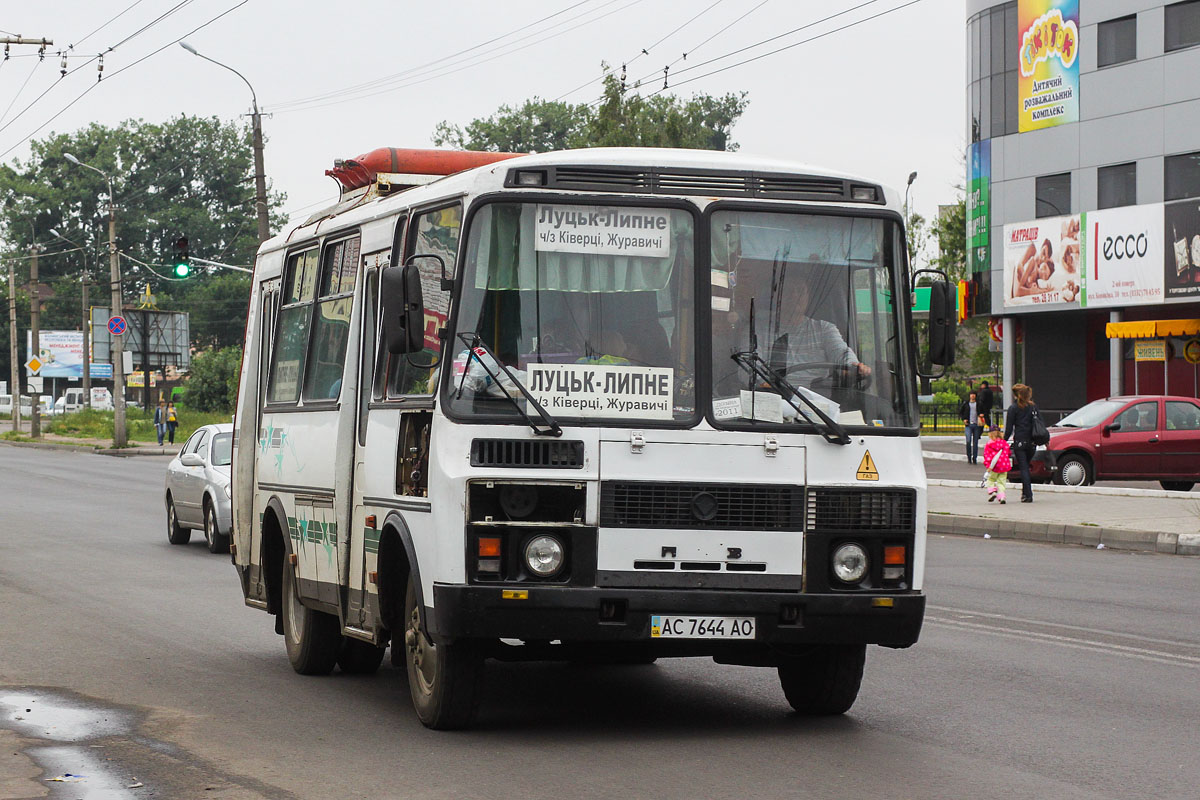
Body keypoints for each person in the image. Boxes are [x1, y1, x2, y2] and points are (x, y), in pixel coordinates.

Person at [771, 272, 871, 389]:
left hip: (816, 401)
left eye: (800, 291)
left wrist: (854, 367)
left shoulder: (824, 329)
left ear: (808, 297)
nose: (794, 296)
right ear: (778, 296)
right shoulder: (759, 330)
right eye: (788, 291)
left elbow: (841, 352)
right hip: (771, 397)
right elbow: (749, 368)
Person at [1004, 383, 1038, 503]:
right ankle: (1025, 492)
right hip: (1032, 442)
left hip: (1020, 442)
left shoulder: (1013, 408)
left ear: (1016, 395)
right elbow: (1039, 423)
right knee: (1026, 467)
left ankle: (1028, 495)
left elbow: (1009, 429)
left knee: (1023, 468)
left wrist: (1003, 442)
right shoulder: (1033, 407)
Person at [982, 425, 1012, 503]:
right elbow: (1009, 453)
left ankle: (993, 492)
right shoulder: (1004, 443)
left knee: (991, 479)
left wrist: (988, 465)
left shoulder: (989, 444)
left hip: (994, 466)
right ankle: (1002, 497)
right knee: (1001, 482)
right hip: (1004, 466)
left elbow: (987, 456)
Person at [959, 390, 982, 464]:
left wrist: (982, 415)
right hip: (968, 425)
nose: (972, 396)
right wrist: (964, 419)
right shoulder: (966, 404)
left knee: (975, 442)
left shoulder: (979, 404)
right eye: (971, 394)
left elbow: (983, 411)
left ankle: (974, 457)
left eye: (974, 394)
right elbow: (961, 412)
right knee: (968, 441)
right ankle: (969, 457)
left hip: (976, 425)